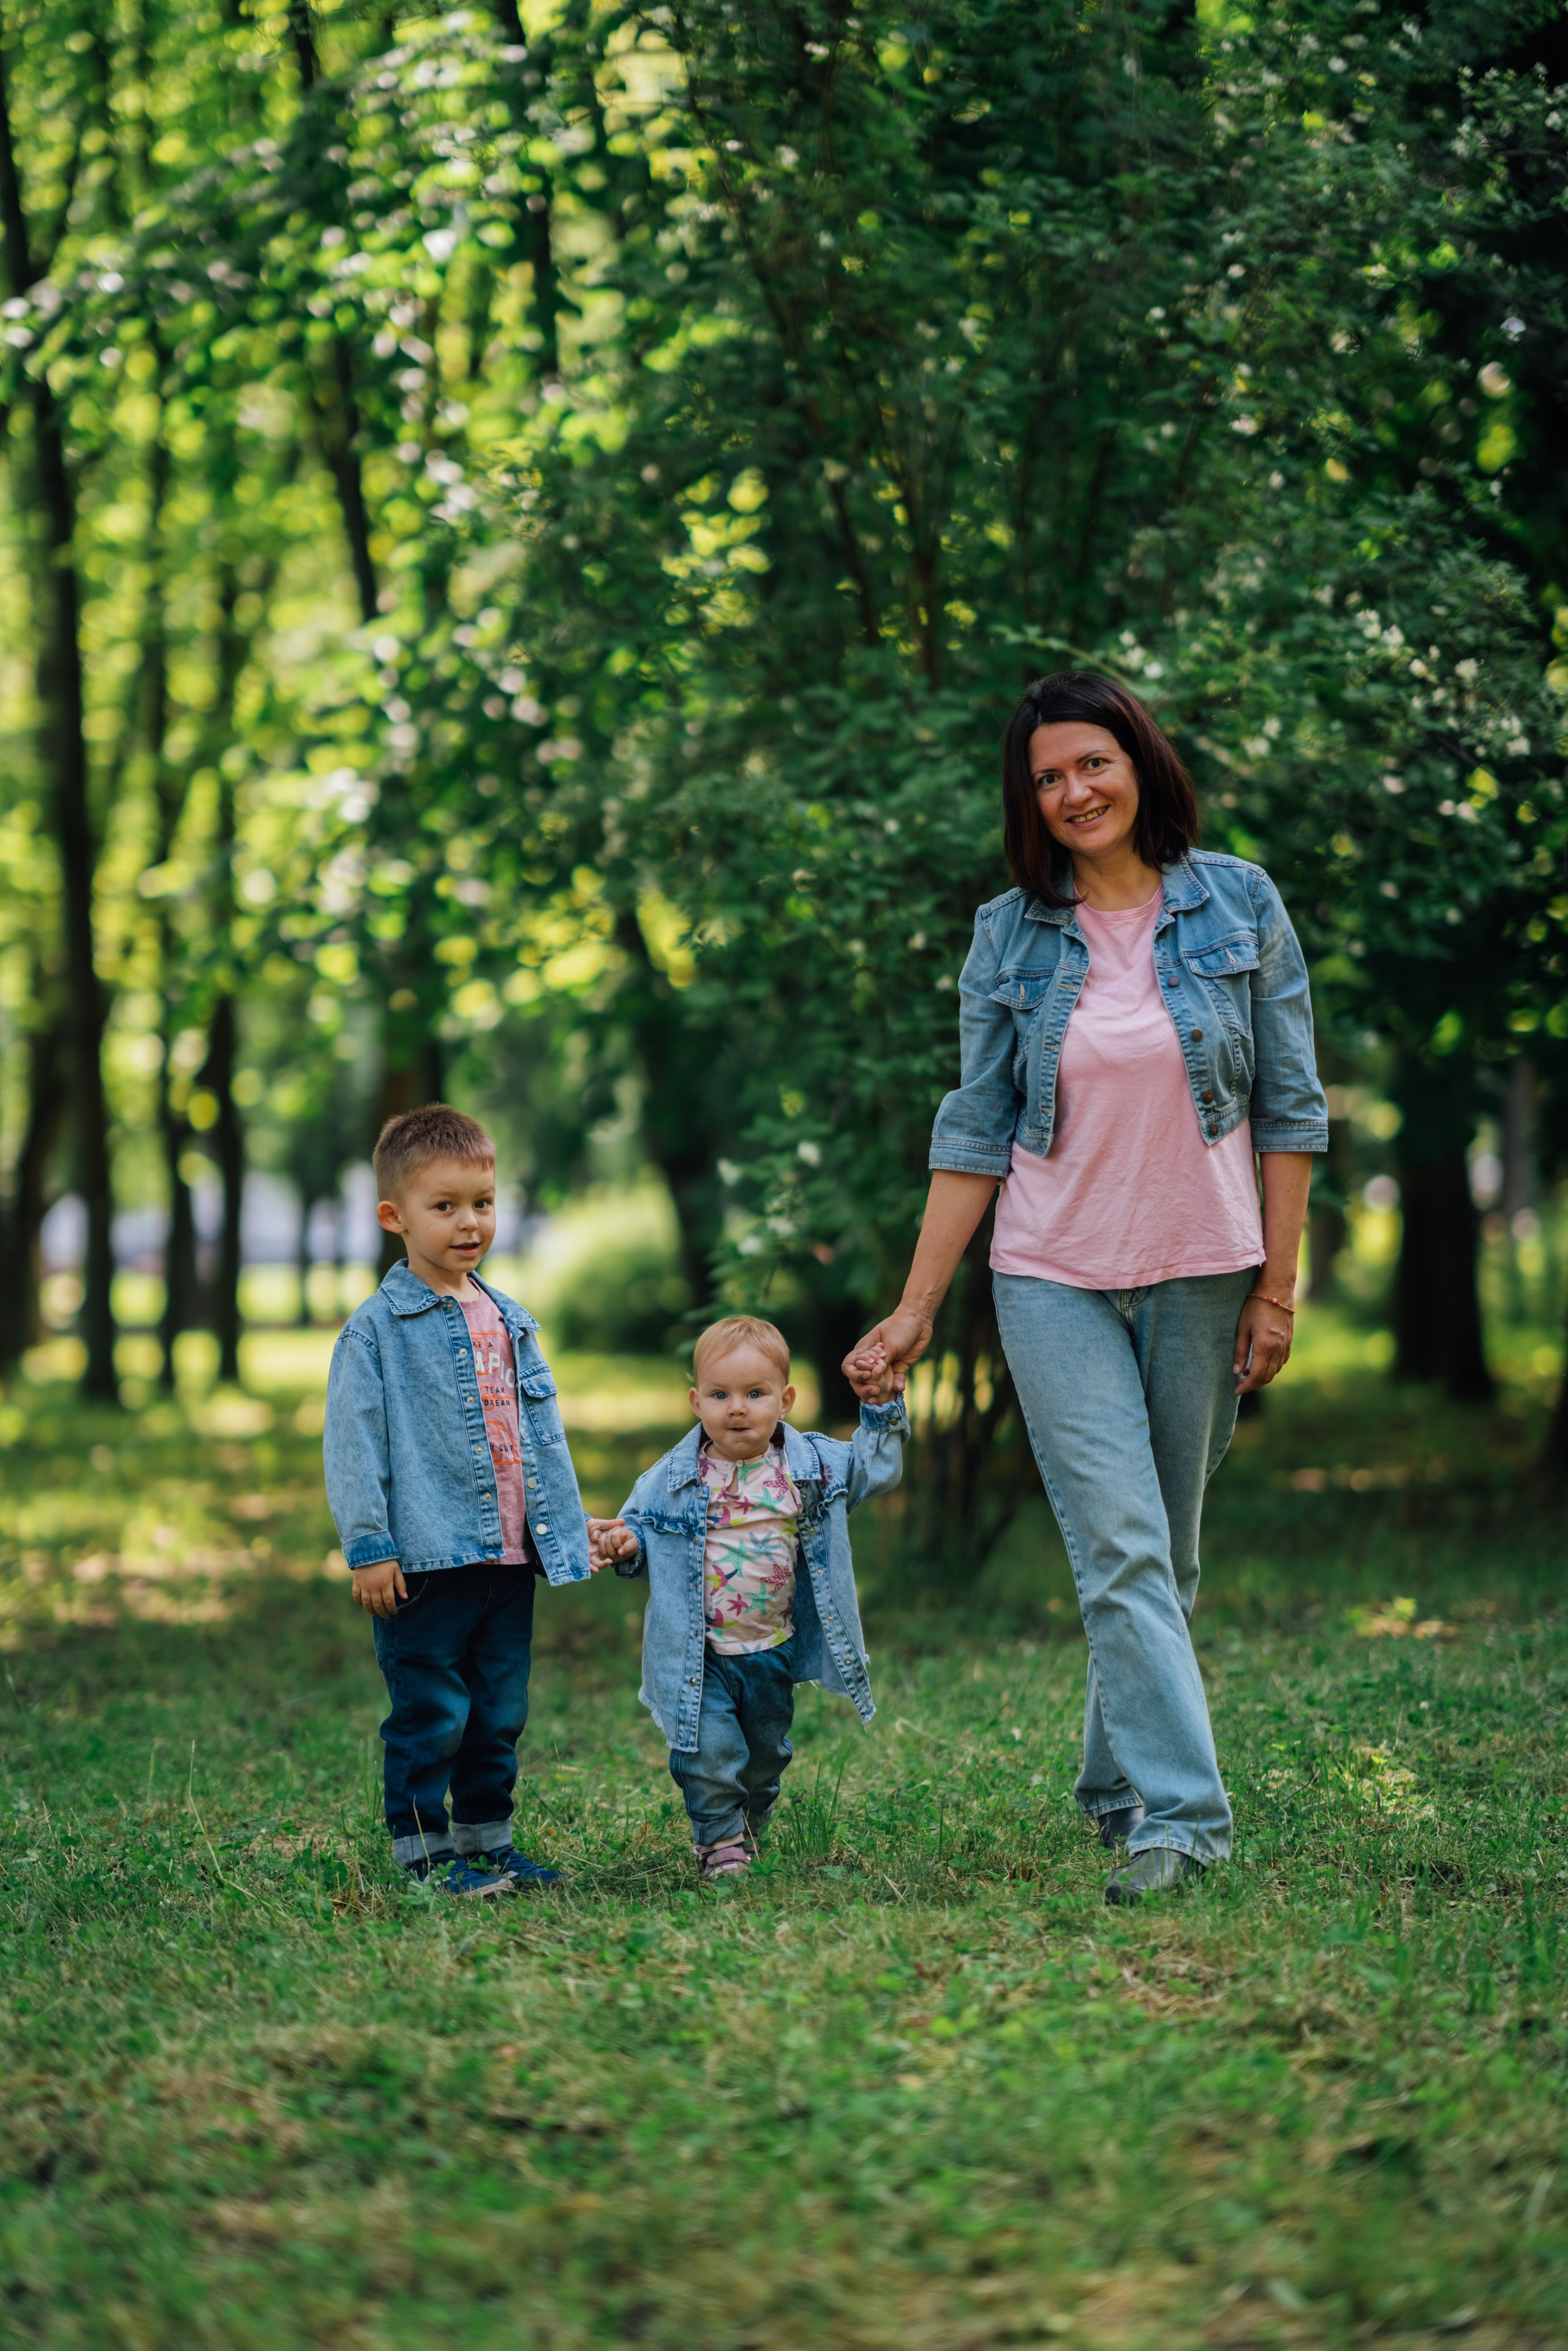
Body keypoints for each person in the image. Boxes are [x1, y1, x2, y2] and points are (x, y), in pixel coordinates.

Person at [845, 673, 1327, 1906]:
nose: (1071, 792)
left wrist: (1278, 1287)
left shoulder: (1237, 901)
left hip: (1204, 1270)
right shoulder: (1008, 933)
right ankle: (1182, 1815)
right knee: (1116, 1544)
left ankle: (1113, 1785)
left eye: (1089, 764)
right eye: (1046, 778)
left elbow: (1287, 1108)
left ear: (1137, 762)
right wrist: (914, 1306)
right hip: (1050, 1273)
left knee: (1163, 1553)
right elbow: (975, 1123)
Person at [324, 1104, 594, 1896]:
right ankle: (424, 1853)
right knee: (432, 1709)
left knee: (498, 1710)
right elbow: (353, 1446)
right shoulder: (374, 1332)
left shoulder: (511, 1318)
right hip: (428, 1558)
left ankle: (488, 1838)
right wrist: (370, 1546)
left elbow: (540, 1440)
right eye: (444, 1207)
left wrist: (572, 1531)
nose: (468, 1222)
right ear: (394, 1216)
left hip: (508, 1557)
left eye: (482, 1202)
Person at [588, 1316, 906, 1882]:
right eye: (720, 1395)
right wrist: (625, 1546)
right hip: (701, 1655)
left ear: (785, 1400)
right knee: (710, 1752)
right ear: (696, 1402)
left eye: (755, 1394)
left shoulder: (810, 1470)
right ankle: (719, 1842)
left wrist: (880, 1410)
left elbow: (876, 1470)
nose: (737, 1408)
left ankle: (748, 1821)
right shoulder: (671, 1480)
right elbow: (638, 1539)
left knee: (764, 1757)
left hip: (772, 1649)